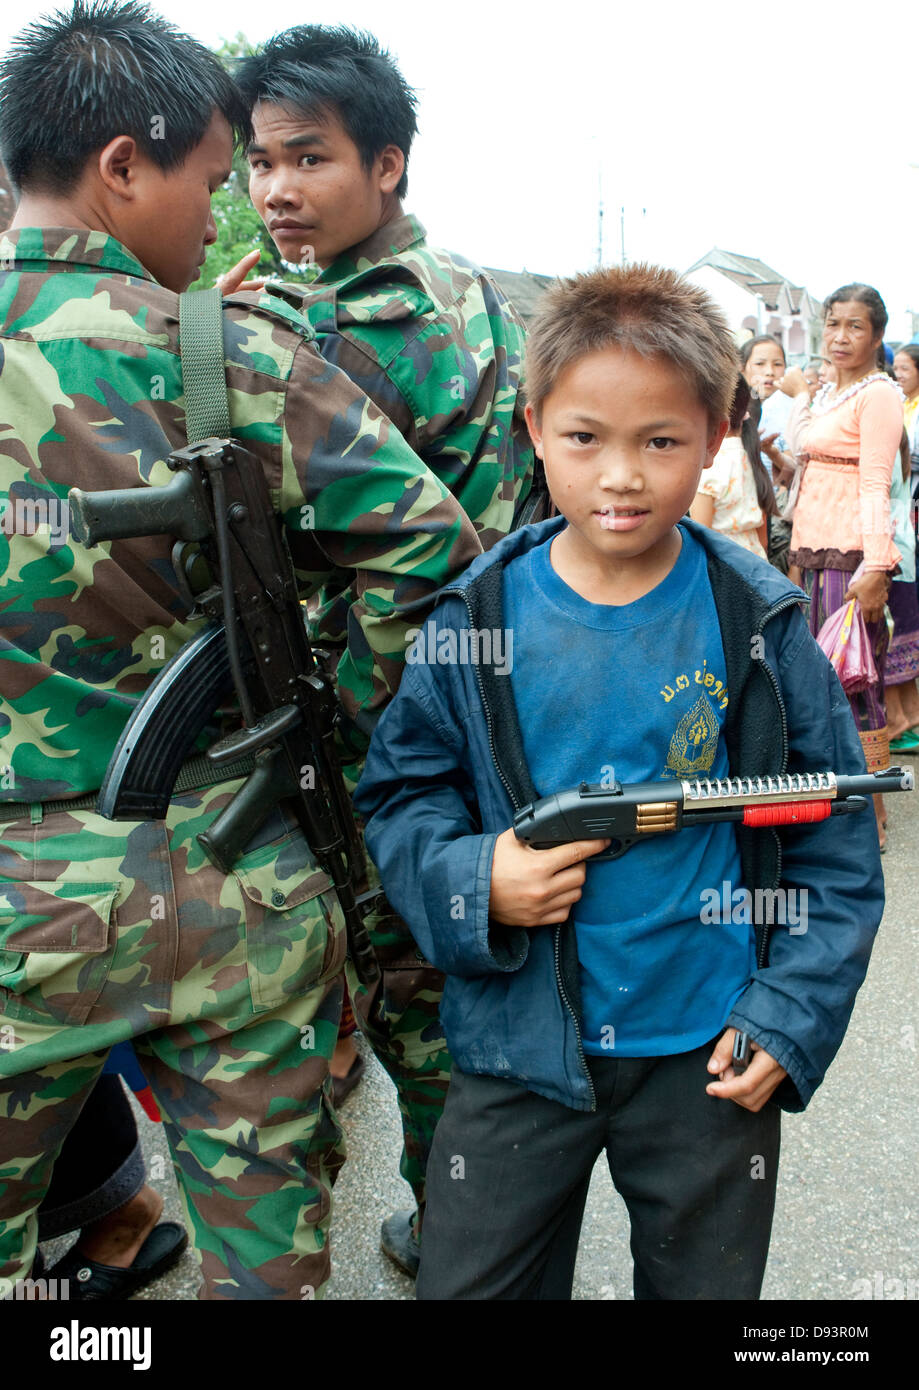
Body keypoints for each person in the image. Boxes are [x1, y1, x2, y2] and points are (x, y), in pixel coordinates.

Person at [0, 0, 479, 1300]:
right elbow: (432, 557)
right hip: (232, 889)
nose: (225, 212)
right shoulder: (228, 352)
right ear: (119, 168)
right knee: (265, 1275)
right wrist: (337, 725)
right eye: (215, 180)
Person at [355, 263, 884, 1300]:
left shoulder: (763, 631)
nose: (622, 476)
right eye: (586, 437)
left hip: (711, 1055)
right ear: (534, 427)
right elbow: (402, 793)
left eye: (660, 441)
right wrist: (477, 880)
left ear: (719, 433)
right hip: (515, 1048)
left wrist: (786, 1013)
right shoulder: (479, 619)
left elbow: (831, 846)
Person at [228, 23, 533, 1276]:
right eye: (257, 162)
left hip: (398, 708)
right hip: (367, 697)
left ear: (389, 165)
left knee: (413, 981)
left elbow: (436, 559)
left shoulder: (407, 319)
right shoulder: (306, 301)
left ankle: (459, 1228)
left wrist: (351, 717)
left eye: (310, 159)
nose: (277, 190)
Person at [789, 284, 903, 848]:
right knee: (816, 683)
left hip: (853, 560)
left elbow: (877, 481)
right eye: (833, 324)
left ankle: (874, 814)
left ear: (877, 336)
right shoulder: (829, 393)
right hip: (810, 554)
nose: (840, 336)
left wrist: (877, 565)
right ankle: (834, 804)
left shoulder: (878, 393)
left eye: (854, 326)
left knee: (855, 683)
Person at [690, 374, 767, 556]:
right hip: (754, 559)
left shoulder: (709, 464)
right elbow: (763, 539)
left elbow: (703, 535)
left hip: (723, 564)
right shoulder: (751, 455)